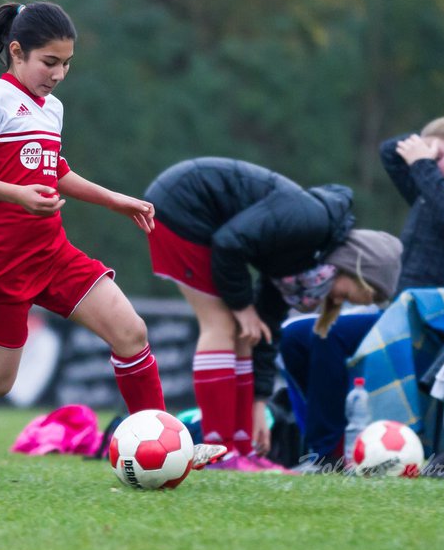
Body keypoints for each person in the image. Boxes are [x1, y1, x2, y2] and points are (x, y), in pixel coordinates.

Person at [0, 0, 227, 475]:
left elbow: (55, 170)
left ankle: (163, 441)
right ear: (17, 52)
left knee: (131, 332)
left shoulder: (51, 108)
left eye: (66, 64)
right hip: (1, 262)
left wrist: (117, 200)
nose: (57, 74)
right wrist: (18, 196)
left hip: (52, 254)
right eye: (49, 62)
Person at [280, 116, 444, 468]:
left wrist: (426, 163)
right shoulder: (437, 188)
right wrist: (432, 149)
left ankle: (321, 456)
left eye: (439, 156)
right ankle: (332, 446)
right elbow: (389, 152)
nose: (429, 166)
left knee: (328, 335)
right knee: (297, 337)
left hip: (434, 322)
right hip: (400, 316)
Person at [143, 157, 403, 471]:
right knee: (221, 324)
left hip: (200, 216)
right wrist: (241, 307)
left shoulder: (296, 262)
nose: (341, 300)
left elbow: (265, 333)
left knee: (245, 333)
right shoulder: (311, 224)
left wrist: (258, 405)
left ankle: (239, 448)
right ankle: (218, 451)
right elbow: (228, 244)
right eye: (353, 293)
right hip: (184, 204)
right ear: (358, 267)